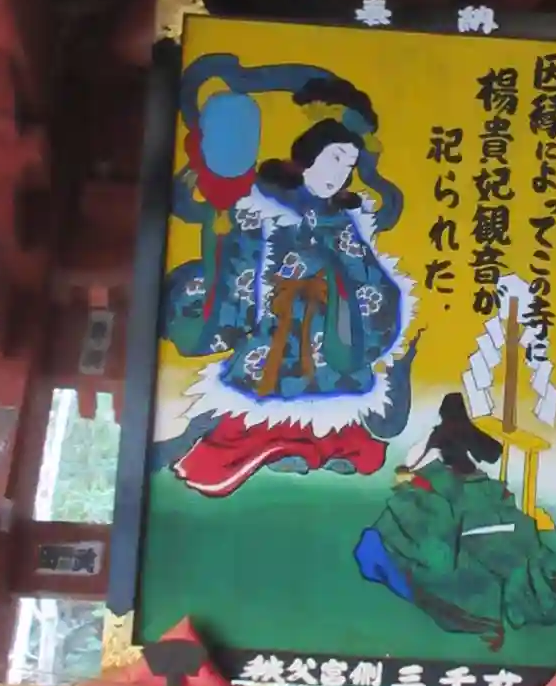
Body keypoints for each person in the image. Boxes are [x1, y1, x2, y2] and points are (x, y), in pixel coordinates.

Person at [161, 72, 417, 497]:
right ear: (309, 156)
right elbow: (242, 259)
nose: (340, 173)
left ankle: (322, 450)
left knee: (334, 402)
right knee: (261, 399)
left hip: (328, 323)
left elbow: (366, 271)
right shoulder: (262, 203)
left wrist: (359, 300)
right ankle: (273, 450)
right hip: (278, 324)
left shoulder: (342, 218)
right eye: (335, 159)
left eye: (349, 166)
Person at [354, 394, 556, 651]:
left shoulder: (436, 436)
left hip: (452, 490)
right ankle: (539, 582)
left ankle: (486, 613)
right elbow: (492, 453)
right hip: (464, 487)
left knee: (434, 544)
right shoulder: (461, 433)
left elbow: (414, 464)